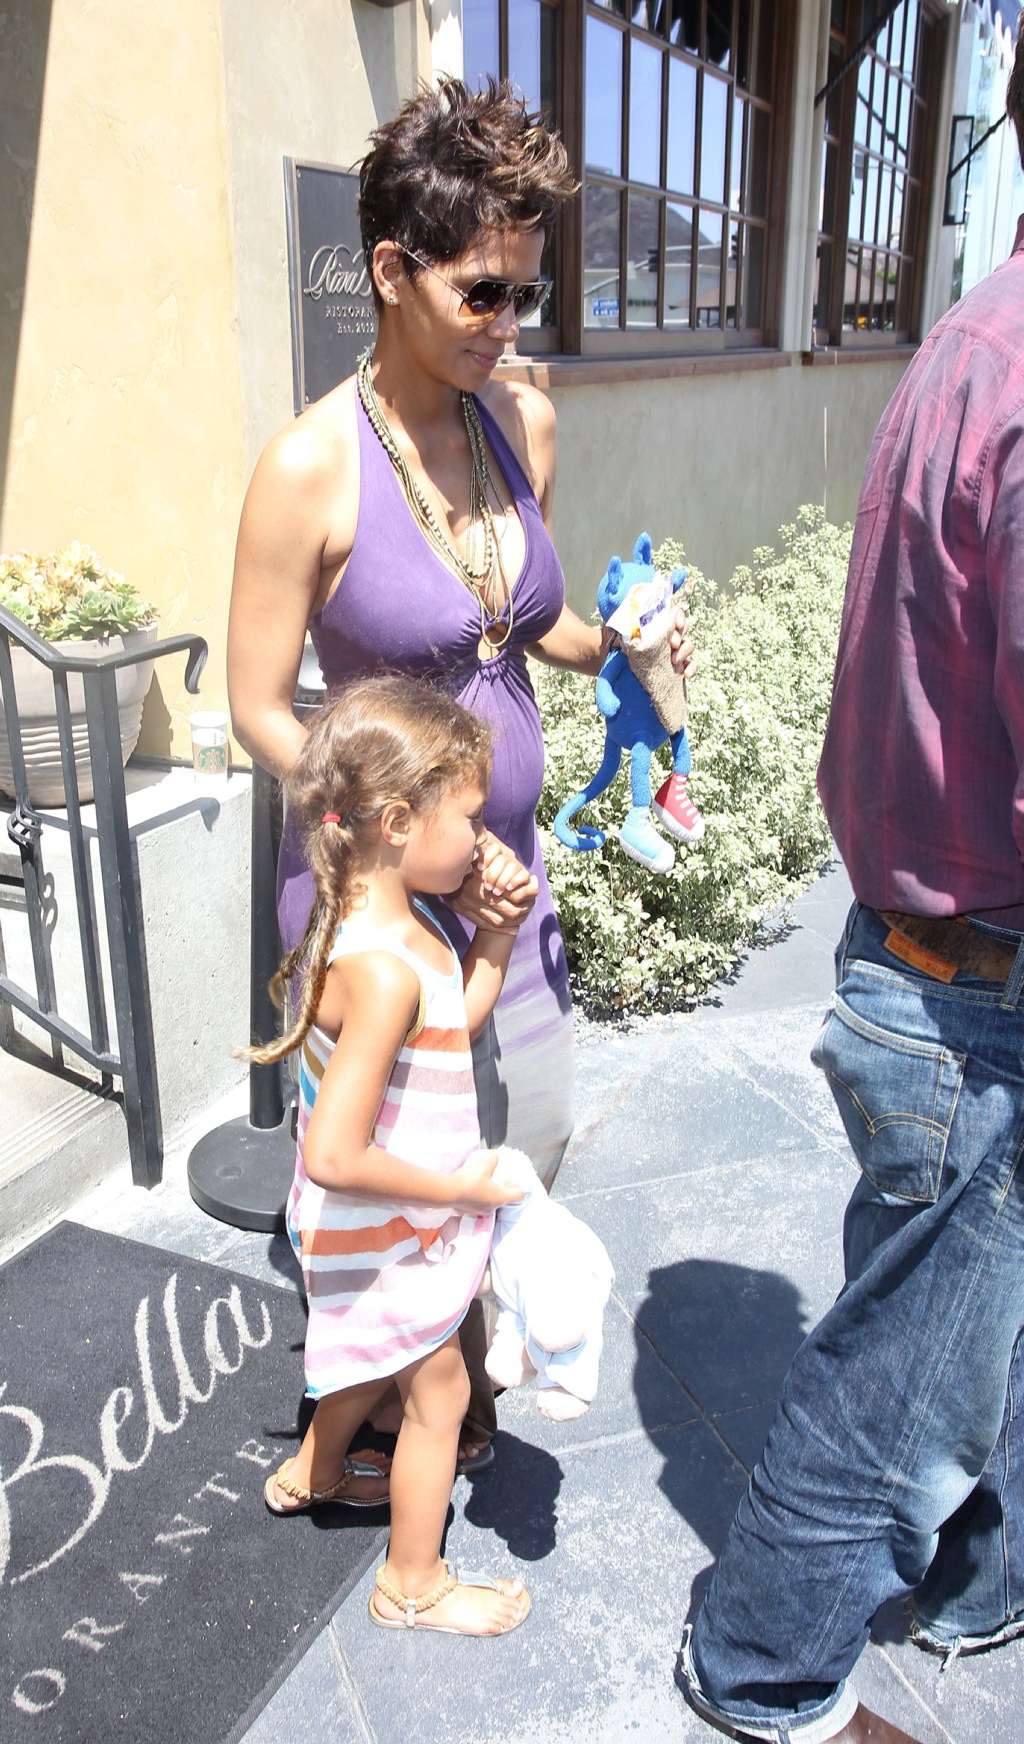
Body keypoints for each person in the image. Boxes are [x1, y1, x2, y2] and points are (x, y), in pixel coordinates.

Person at [227, 76, 698, 1479]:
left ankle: (451, 1369)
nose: (508, 324)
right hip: (377, 907)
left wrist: (620, 640)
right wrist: (393, 842)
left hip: (506, 880)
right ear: (392, 270)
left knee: (524, 1133)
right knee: (394, 1185)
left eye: (525, 294)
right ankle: (387, 1425)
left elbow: (526, 620)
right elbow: (258, 709)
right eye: (482, 292)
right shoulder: (309, 468)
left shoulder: (520, 423)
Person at [677, 23, 1024, 1744]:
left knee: (950, 1319)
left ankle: (979, 1582)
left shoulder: (973, 340)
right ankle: (759, 1664)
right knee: (899, 1379)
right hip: (973, 978)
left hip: (926, 954)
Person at [256, 674, 534, 1635]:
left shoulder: (387, 920)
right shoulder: (380, 973)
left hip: (384, 1217)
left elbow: (455, 1022)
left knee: (373, 1353)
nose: (483, 838)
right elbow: (336, 1154)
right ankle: (411, 1584)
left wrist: (496, 931)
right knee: (440, 1389)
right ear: (400, 823)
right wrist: (458, 1188)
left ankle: (316, 1468)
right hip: (389, 1216)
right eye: (471, 817)